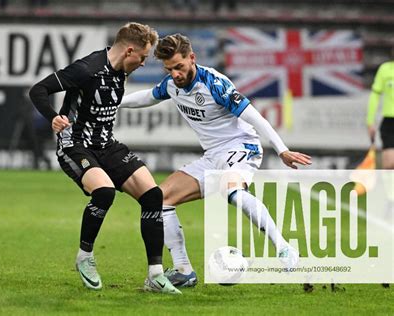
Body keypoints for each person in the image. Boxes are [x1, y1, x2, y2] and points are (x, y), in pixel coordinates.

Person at [120, 33, 312, 287]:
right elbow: (147, 97)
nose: (175, 74)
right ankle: (184, 271)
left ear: (192, 58)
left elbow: (255, 117)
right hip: (213, 156)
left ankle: (284, 248)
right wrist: (115, 104)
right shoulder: (171, 85)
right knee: (160, 199)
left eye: (179, 67)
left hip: (242, 147)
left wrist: (282, 149)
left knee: (231, 190)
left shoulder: (215, 84)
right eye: (169, 69)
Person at [28, 23, 180, 294]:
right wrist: (53, 117)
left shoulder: (120, 68)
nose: (144, 63)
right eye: (143, 57)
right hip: (75, 145)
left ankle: (155, 275)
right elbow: (38, 90)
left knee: (153, 195)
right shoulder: (86, 69)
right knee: (104, 192)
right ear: (129, 51)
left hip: (106, 145)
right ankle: (84, 257)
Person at [366, 50, 393, 289]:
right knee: (389, 164)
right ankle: (391, 199)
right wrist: (370, 121)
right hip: (389, 122)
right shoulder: (385, 70)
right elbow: (375, 96)